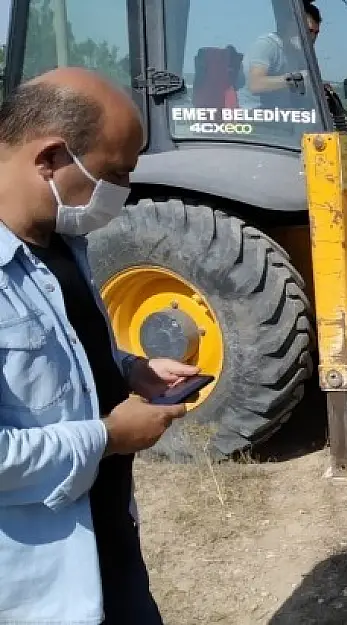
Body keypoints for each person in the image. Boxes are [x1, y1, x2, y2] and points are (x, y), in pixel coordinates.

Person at [0, 67, 200, 624]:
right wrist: (110, 437)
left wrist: (128, 369)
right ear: (50, 160)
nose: (122, 192)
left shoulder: (63, 240)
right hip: (39, 580)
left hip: (106, 537)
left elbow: (59, 349)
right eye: (115, 173)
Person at [246, 0, 321, 109]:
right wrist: (297, 79)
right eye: (308, 31)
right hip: (254, 114)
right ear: (293, 24)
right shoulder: (267, 45)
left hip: (283, 114)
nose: (313, 37)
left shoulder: (297, 53)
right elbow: (256, 84)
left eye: (316, 32)